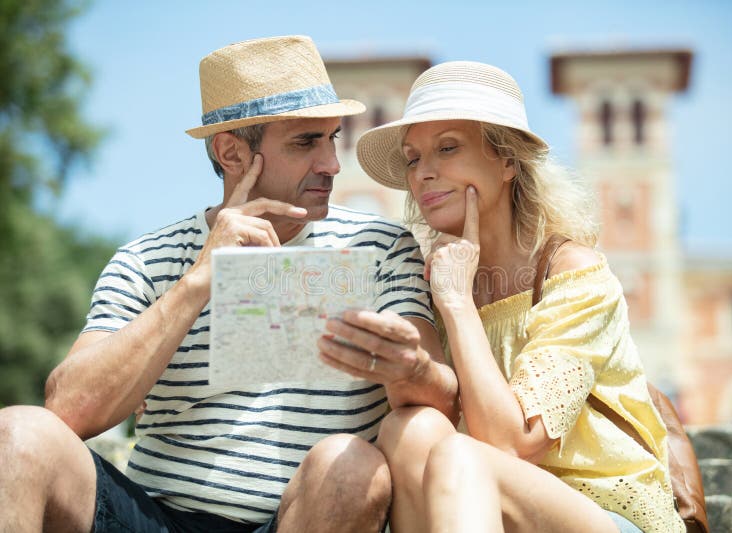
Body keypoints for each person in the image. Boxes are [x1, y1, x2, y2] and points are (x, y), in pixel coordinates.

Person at [0, 36, 458, 533]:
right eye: (306, 142)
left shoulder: (383, 246)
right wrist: (199, 281)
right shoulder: (146, 259)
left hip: (300, 517)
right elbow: (66, 410)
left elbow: (441, 401)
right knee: (19, 434)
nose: (331, 164)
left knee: (354, 468)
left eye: (332, 137)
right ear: (232, 152)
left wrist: (410, 368)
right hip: (153, 519)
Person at [356, 61, 686, 532]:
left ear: (507, 160)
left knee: (456, 451)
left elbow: (512, 443)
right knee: (407, 430)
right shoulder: (426, 283)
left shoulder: (574, 272)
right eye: (413, 158)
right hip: (475, 512)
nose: (423, 173)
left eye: (447, 148)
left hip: (604, 513)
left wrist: (456, 303)